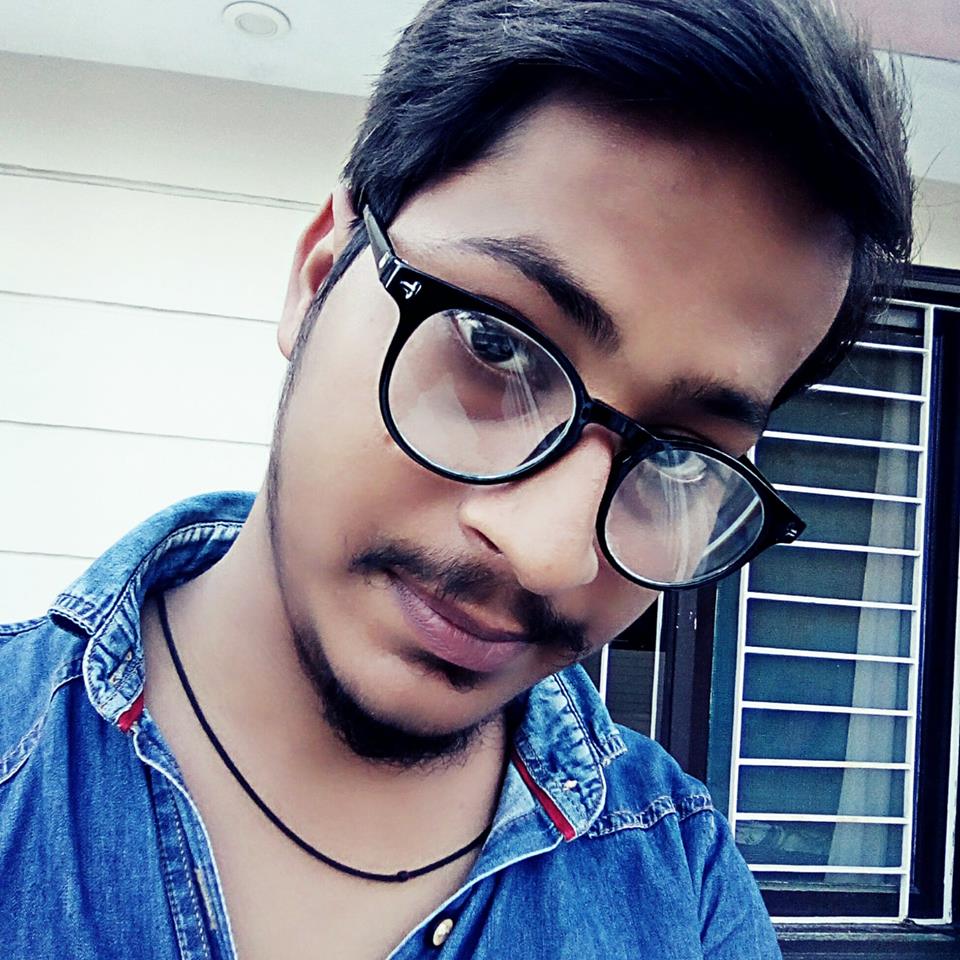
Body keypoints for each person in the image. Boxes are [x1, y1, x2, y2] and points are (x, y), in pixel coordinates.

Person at [0, 0, 913, 957]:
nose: (550, 553)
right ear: (319, 274)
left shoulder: (684, 888)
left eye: (680, 458)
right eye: (494, 344)